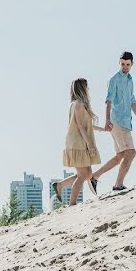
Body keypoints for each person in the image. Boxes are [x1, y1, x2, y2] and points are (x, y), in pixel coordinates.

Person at [90, 51, 136, 194]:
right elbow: (108, 101)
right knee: (131, 152)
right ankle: (118, 185)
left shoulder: (130, 80)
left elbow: (132, 101)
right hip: (117, 121)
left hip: (126, 121)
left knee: (121, 155)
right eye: (123, 64)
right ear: (119, 63)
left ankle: (95, 177)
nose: (125, 67)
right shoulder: (114, 79)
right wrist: (107, 120)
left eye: (128, 64)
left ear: (132, 64)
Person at [52, 78, 106, 206]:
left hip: (78, 141)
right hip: (77, 143)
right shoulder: (78, 104)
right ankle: (72, 203)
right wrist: (90, 144)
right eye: (86, 87)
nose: (88, 89)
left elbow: (86, 125)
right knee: (83, 175)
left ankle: (60, 185)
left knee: (87, 174)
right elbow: (81, 126)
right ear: (82, 88)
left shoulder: (77, 104)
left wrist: (103, 129)